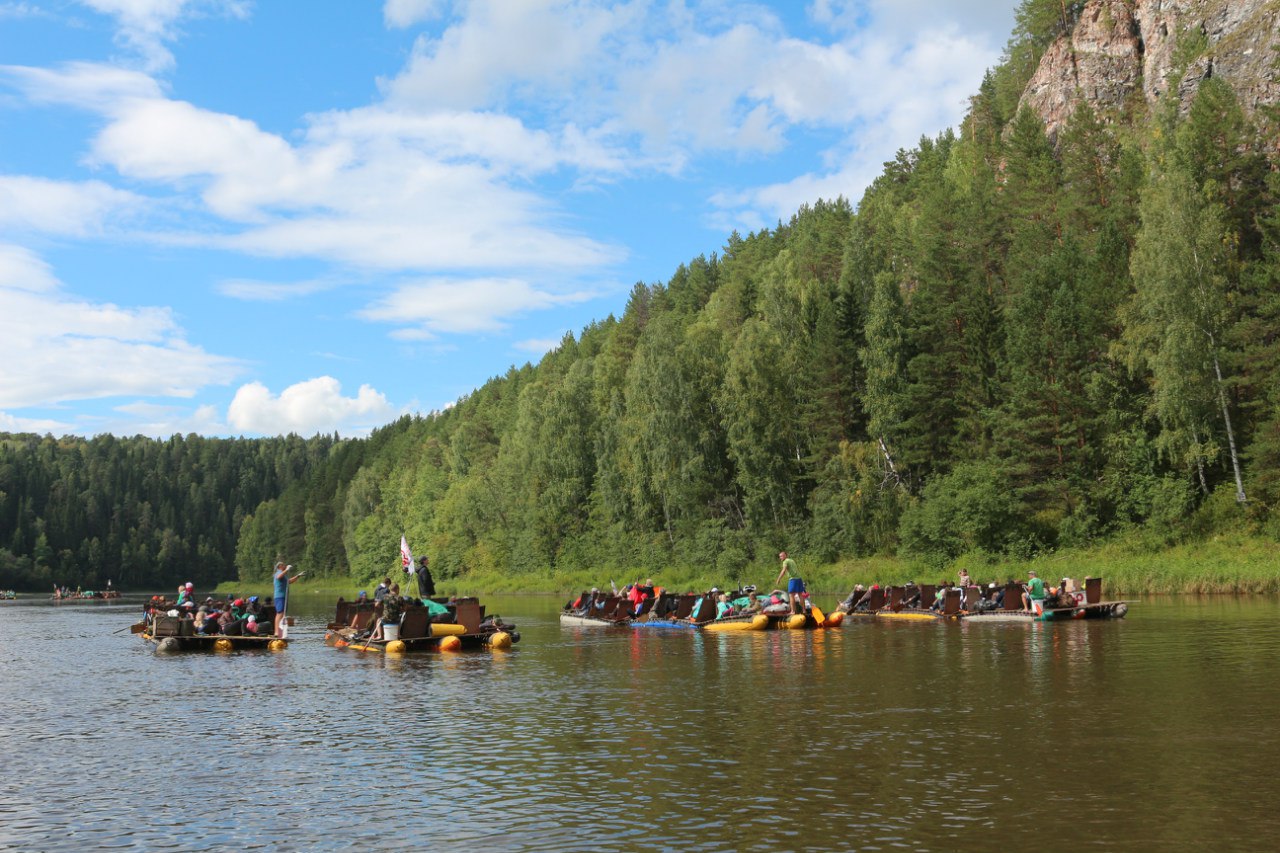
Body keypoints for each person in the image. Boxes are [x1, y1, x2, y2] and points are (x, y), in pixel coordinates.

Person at [273, 562, 303, 637]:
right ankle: (276, 632)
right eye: (283, 565)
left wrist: (298, 576)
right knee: (280, 613)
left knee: (282, 613)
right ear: (279, 566)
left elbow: (289, 581)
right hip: (279, 596)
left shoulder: (284, 575)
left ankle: (280, 631)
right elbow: (279, 577)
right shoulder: (278, 573)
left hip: (283, 597)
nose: (285, 565)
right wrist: (286, 570)